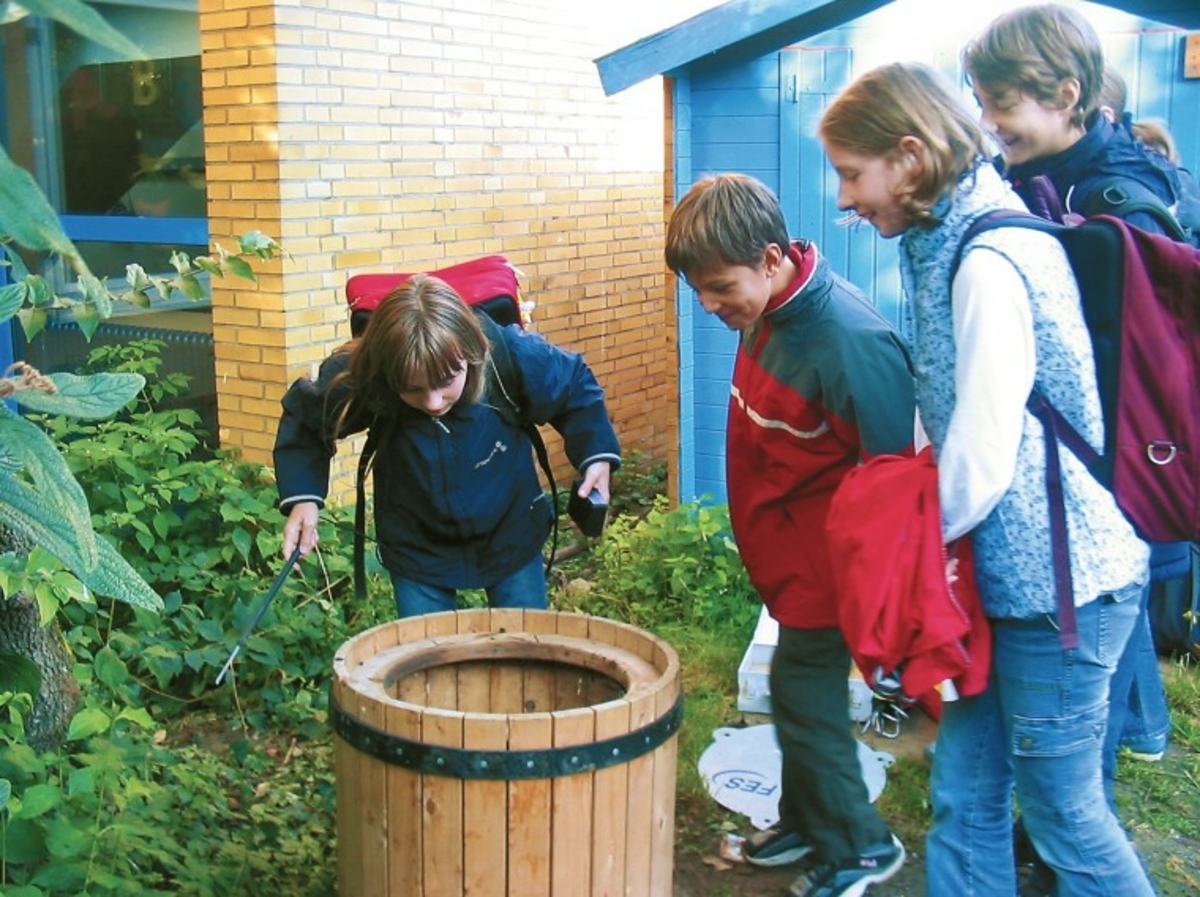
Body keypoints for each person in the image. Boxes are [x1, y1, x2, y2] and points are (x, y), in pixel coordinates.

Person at [819, 60, 1154, 895]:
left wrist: (904, 555)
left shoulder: (987, 258)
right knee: (965, 792)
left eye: (852, 174)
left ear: (907, 155)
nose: (845, 199)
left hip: (1061, 589)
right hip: (1012, 585)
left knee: (1063, 813)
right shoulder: (950, 241)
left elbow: (981, 451)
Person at [963, 1, 1191, 795]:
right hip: (1083, 487)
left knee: (1079, 723)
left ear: (1064, 94)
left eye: (1001, 103)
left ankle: (1070, 853)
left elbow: (1103, 373)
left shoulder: (1111, 208)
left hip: (1110, 487)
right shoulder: (1052, 180)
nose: (989, 122)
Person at [665, 173, 913, 897]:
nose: (709, 306)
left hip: (832, 575)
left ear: (772, 258)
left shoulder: (851, 344)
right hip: (789, 568)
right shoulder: (766, 313)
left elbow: (897, 488)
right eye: (698, 290)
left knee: (806, 701)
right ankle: (807, 818)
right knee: (797, 693)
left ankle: (862, 845)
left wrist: (885, 611)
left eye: (718, 287)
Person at [273, 273, 621, 617]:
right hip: (417, 546)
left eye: (445, 382)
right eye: (413, 389)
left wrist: (596, 457)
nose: (434, 402)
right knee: (427, 661)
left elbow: (574, 385)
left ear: (472, 354)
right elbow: (305, 420)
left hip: (510, 532)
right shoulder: (365, 372)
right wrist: (303, 497)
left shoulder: (509, 353)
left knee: (525, 652)